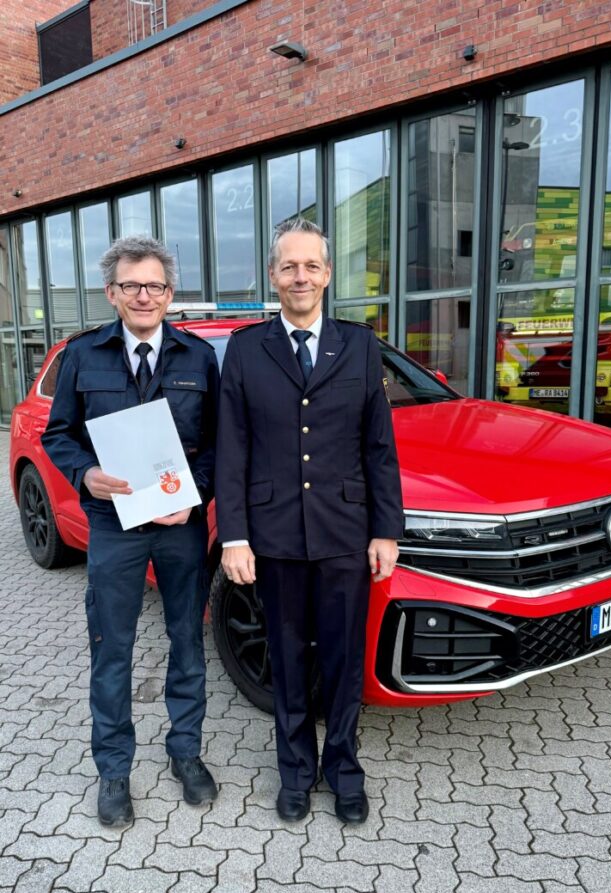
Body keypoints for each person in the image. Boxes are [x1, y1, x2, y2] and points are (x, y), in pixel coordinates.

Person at [216, 217, 403, 824]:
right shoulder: (247, 349)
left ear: (327, 274)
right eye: (289, 266)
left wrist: (386, 530)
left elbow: (378, 446)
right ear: (274, 275)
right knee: (288, 659)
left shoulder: (360, 345)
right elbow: (232, 448)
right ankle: (295, 771)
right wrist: (235, 536)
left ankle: (344, 770)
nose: (301, 276)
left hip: (345, 533)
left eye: (311, 266)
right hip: (273, 536)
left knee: (345, 662)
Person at [42, 236, 219, 827]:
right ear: (111, 292)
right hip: (113, 526)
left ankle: (185, 752)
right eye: (132, 285)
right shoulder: (82, 355)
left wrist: (193, 496)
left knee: (187, 641)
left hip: (179, 528)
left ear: (169, 294)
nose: (144, 295)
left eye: (155, 285)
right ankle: (114, 770)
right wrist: (84, 473)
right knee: (111, 648)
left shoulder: (198, 358)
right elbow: (58, 434)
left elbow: (219, 443)